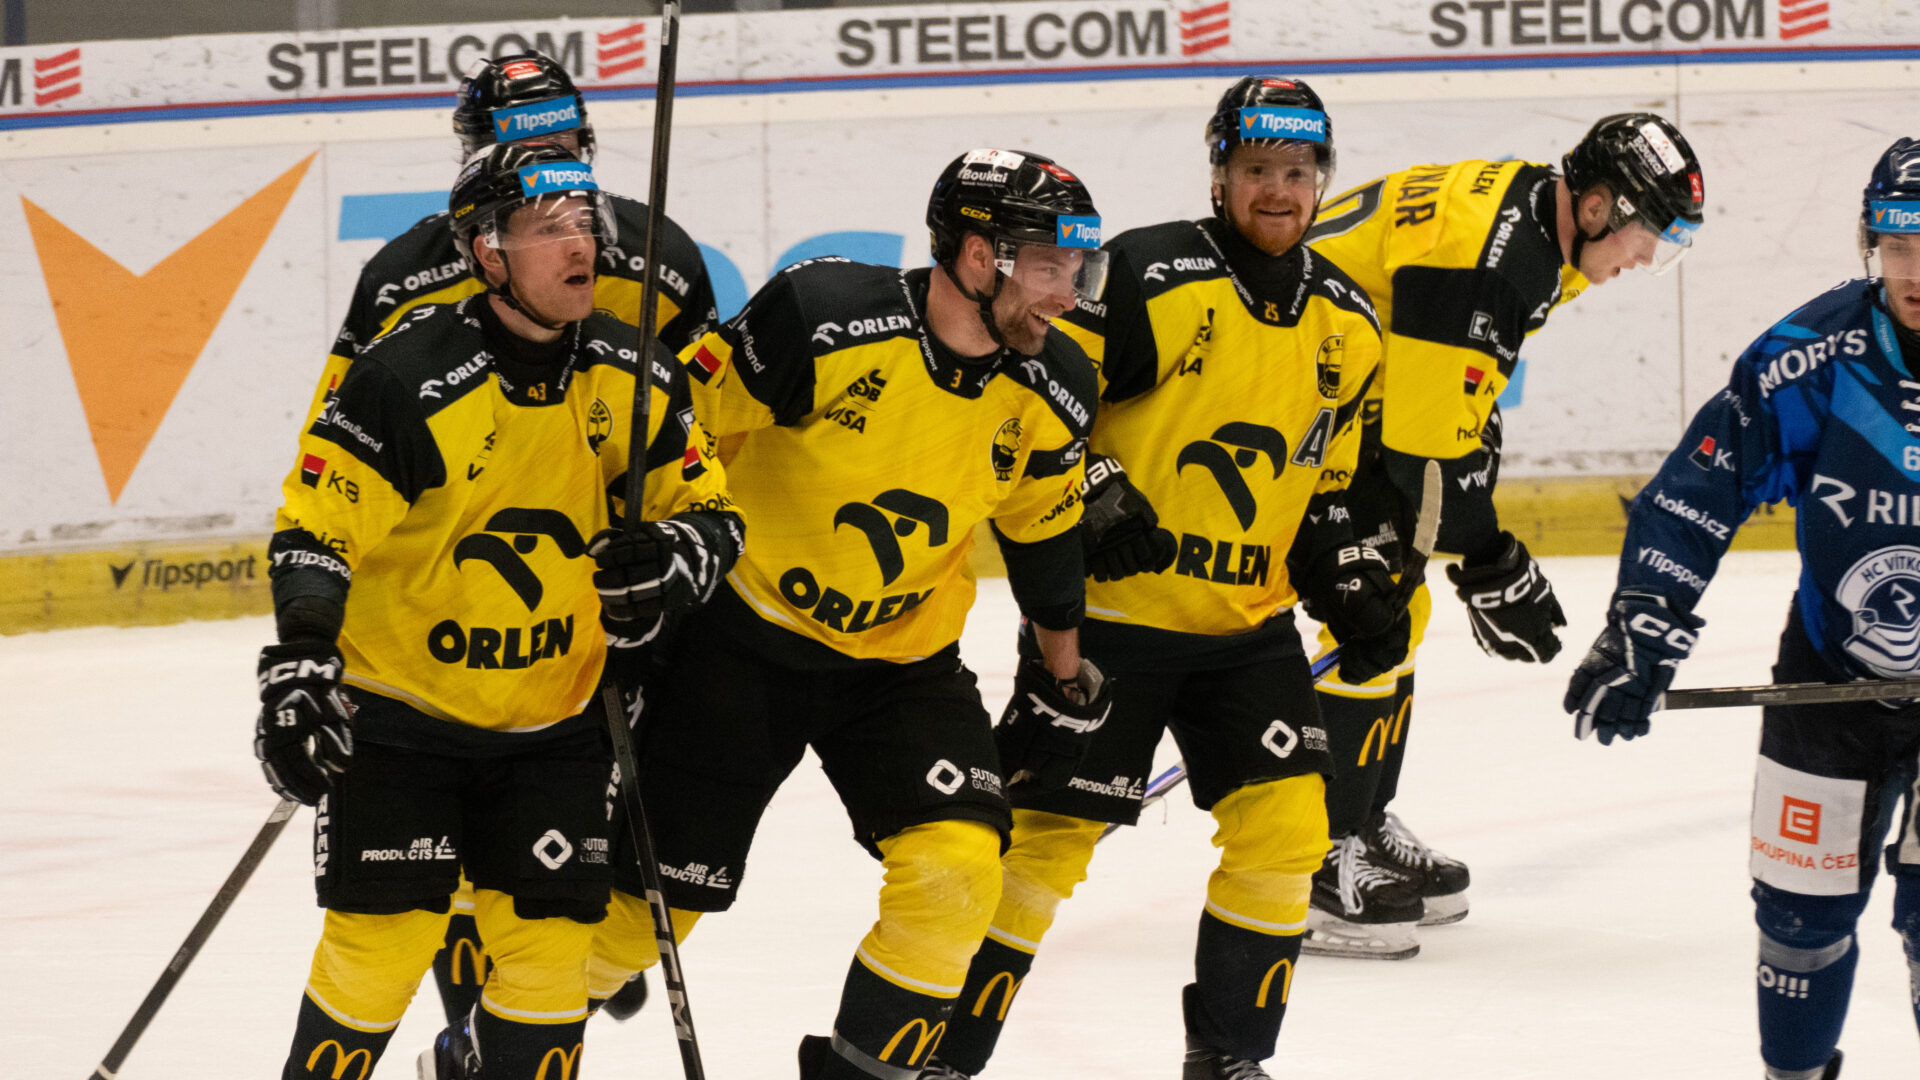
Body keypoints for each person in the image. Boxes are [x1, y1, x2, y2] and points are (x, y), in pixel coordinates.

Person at [580, 147, 1113, 1080]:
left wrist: (1065, 675)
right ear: (977, 256)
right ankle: (490, 1052)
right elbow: (675, 423)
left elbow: (1043, 534)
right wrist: (645, 563)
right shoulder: (819, 318)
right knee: (646, 913)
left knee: (959, 869)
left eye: (1079, 267)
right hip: (740, 645)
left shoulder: (1055, 382)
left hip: (901, 669)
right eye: (1048, 266)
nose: (1069, 294)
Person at [923, 77, 1406, 1080]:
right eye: (1257, 169)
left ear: (1322, 180)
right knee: (1041, 850)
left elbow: (1327, 482)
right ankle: (935, 1057)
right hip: (1109, 625)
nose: (1278, 190)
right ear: (1220, 174)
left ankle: (1228, 1058)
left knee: (1288, 835)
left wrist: (1348, 575)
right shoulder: (1144, 271)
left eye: (1298, 172)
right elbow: (1032, 390)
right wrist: (1093, 485)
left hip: (1248, 633)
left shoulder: (1350, 321)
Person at [257, 141, 739, 1080]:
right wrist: (304, 661)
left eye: (585, 221)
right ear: (488, 252)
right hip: (401, 719)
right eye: (548, 227)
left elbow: (715, 517)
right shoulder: (404, 378)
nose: (581, 245)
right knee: (380, 953)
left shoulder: (636, 375)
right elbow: (315, 532)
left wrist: (670, 558)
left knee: (550, 969)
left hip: (556, 728)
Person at [1298, 112, 1706, 957]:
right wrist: (1489, 562)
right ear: (1596, 205)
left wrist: (1471, 519)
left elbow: (1443, 404)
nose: (1642, 259)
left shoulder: (1538, 220)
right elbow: (1425, 453)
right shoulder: (1491, 259)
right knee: (1370, 610)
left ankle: (1360, 818)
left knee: (1395, 612)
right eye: (1646, 234)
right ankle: (1313, 854)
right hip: (1286, 393)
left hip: (1339, 385)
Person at [1564, 138, 1920, 1080]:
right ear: (1871, 243)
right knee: (1798, 922)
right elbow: (1698, 494)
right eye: (1899, 246)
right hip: (1828, 674)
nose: (1916, 273)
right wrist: (1642, 628)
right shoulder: (1811, 357)